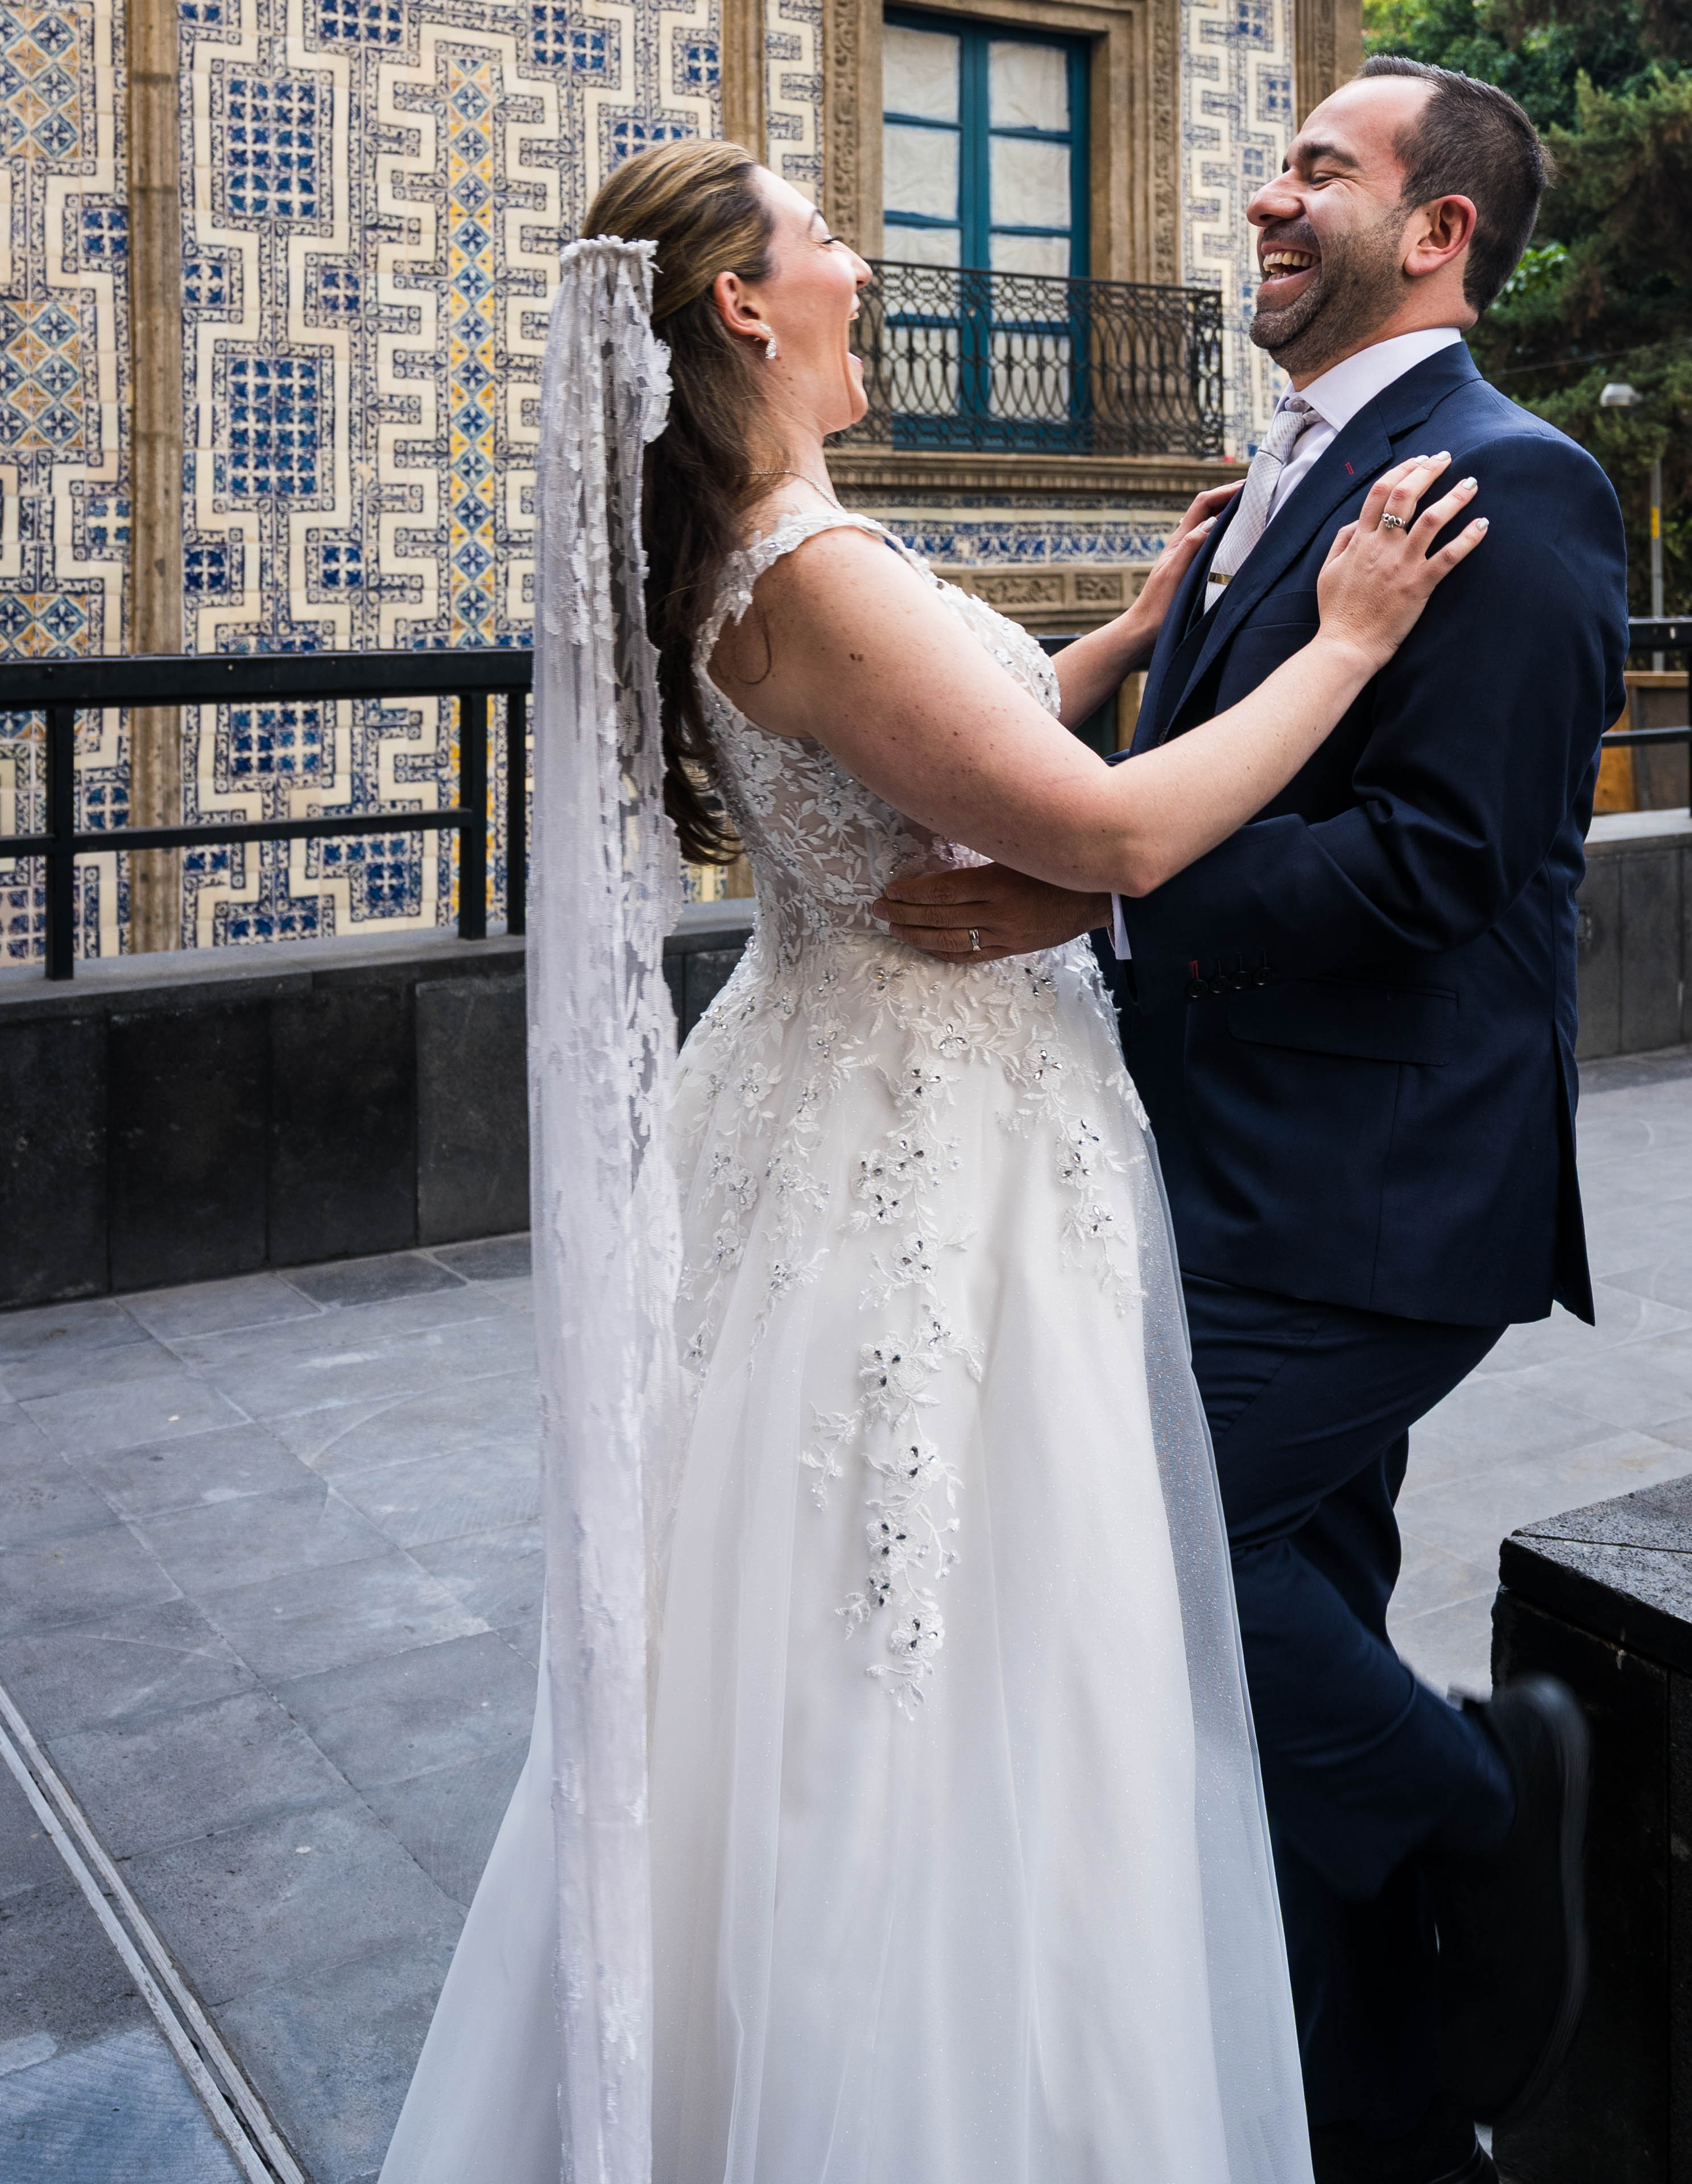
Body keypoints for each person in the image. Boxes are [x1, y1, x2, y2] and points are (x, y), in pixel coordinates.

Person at [378, 133, 1486, 2184]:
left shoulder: (773, 547)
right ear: (739, 303)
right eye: (824, 237)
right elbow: (1119, 839)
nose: (864, 260)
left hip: (846, 1098)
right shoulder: (807, 573)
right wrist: (1340, 639)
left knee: (870, 1643)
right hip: (924, 1155)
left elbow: (956, 753)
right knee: (947, 1658)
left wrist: (1138, 627)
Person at [879, 59, 1629, 2184]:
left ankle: (1495, 1808)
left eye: (1323, 170)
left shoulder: (1521, 481)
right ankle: (1379, 2112)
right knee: (1287, 1668)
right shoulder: (1277, 480)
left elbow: (1441, 861)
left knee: (1145, 1554)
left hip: (1380, 1199)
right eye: (1275, 163)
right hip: (1216, 1167)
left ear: (1441, 231)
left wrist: (1101, 884)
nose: (1266, 196)